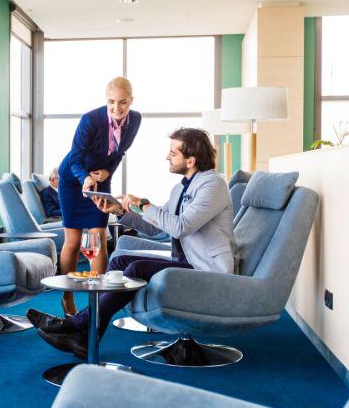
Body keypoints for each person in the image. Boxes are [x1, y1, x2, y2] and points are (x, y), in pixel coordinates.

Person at [28, 127, 237, 358]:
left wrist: (145, 205)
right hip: (186, 261)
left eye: (173, 153)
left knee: (136, 268)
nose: (167, 157)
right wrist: (120, 211)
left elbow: (180, 227)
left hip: (207, 268)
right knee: (121, 260)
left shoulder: (213, 185)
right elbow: (157, 230)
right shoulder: (180, 188)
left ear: (191, 160)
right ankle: (87, 336)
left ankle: (78, 326)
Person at [56, 77, 142, 317]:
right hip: (73, 180)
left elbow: (120, 152)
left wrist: (107, 172)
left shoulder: (135, 119)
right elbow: (75, 156)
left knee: (99, 239)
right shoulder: (90, 119)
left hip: (101, 177)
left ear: (131, 101)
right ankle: (68, 296)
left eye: (123, 102)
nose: (117, 108)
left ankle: (98, 301)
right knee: (72, 242)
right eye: (111, 102)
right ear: (106, 100)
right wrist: (84, 177)